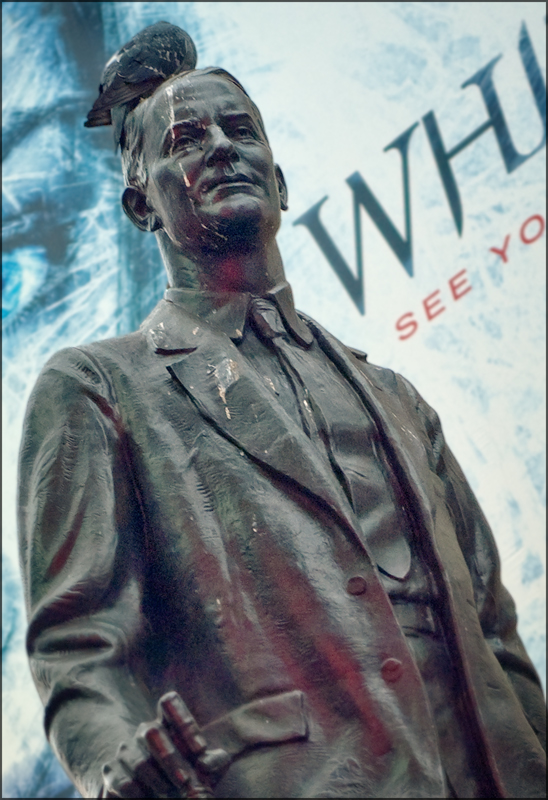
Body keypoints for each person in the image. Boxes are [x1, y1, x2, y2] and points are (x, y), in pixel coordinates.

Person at [18, 24, 546, 800]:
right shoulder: (97, 388)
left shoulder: (398, 398)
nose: (223, 149)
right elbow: (76, 641)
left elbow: (496, 634)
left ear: (282, 179)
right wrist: (111, 758)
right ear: (142, 206)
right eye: (187, 140)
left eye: (240, 131)